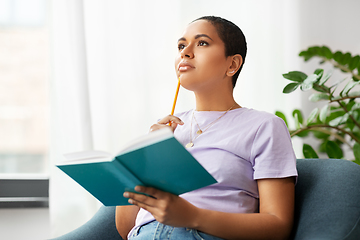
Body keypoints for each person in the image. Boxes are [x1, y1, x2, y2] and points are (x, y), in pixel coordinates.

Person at [115, 16, 298, 240]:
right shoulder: (164, 130)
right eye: (181, 46)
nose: (185, 52)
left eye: (201, 43)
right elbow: (126, 228)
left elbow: (277, 226)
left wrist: (192, 216)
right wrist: (147, 154)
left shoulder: (264, 126)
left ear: (232, 64)